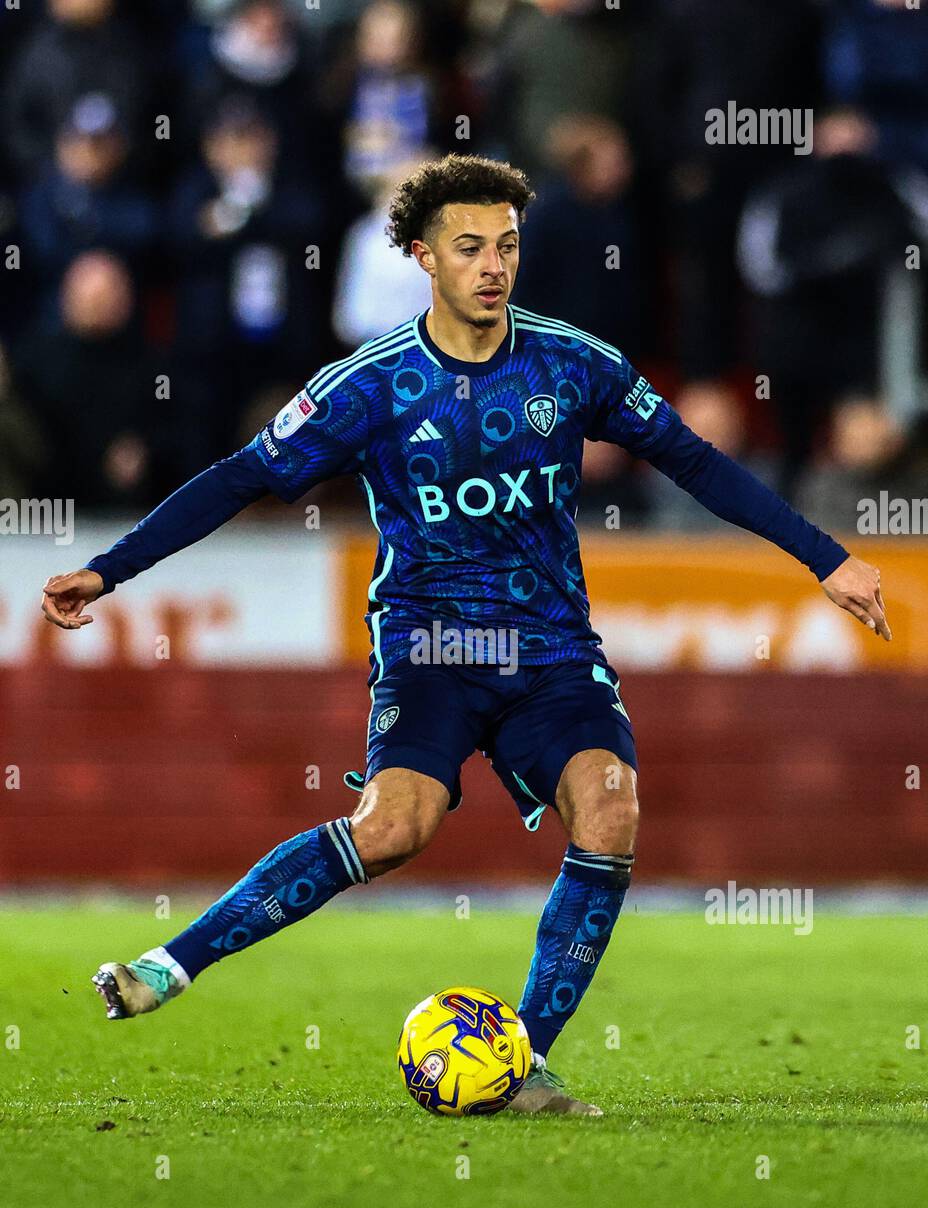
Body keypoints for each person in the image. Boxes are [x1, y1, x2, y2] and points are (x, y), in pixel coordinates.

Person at [42, 154, 889, 1116]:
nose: (494, 266)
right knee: (395, 828)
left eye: (509, 246)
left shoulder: (573, 363)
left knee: (612, 807)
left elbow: (695, 462)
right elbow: (238, 478)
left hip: (551, 651)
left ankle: (520, 1062)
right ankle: (171, 963)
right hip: (431, 649)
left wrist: (825, 557)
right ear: (422, 257)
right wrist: (110, 570)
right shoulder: (369, 387)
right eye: (470, 247)